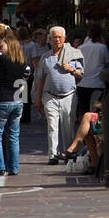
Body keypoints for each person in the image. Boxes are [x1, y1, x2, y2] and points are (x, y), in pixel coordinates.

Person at [35, 26, 83, 165]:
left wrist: (72, 69)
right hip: (50, 96)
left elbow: (81, 74)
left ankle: (68, 152)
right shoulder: (46, 57)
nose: (57, 40)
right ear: (50, 39)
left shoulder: (73, 54)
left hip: (69, 95)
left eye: (60, 37)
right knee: (52, 126)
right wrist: (38, 99)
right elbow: (41, 79)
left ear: (64, 38)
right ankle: (53, 155)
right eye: (54, 37)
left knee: (68, 126)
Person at [0, 31, 29, 177]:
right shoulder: (22, 60)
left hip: (4, 99)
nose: (0, 46)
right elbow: (27, 74)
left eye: (2, 44)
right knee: (14, 135)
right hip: (18, 100)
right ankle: (14, 167)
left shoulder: (2, 59)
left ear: (9, 45)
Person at [76, 23, 109, 116]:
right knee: (95, 112)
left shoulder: (81, 48)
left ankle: (85, 129)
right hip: (98, 83)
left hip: (82, 83)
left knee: (84, 111)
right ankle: (93, 129)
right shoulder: (102, 48)